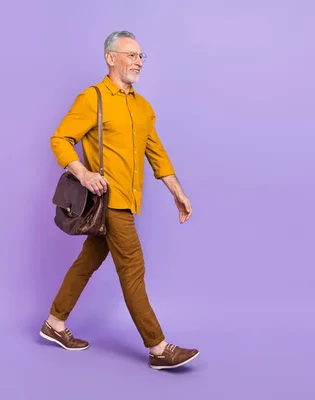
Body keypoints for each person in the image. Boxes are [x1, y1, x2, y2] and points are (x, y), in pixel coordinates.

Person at [39, 30, 199, 370]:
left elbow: (157, 154)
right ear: (111, 58)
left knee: (88, 262)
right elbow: (60, 140)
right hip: (108, 203)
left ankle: (54, 323)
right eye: (131, 54)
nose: (138, 61)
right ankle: (158, 348)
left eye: (141, 56)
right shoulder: (92, 98)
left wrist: (178, 193)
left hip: (129, 201)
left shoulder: (143, 107)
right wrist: (83, 173)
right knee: (133, 270)